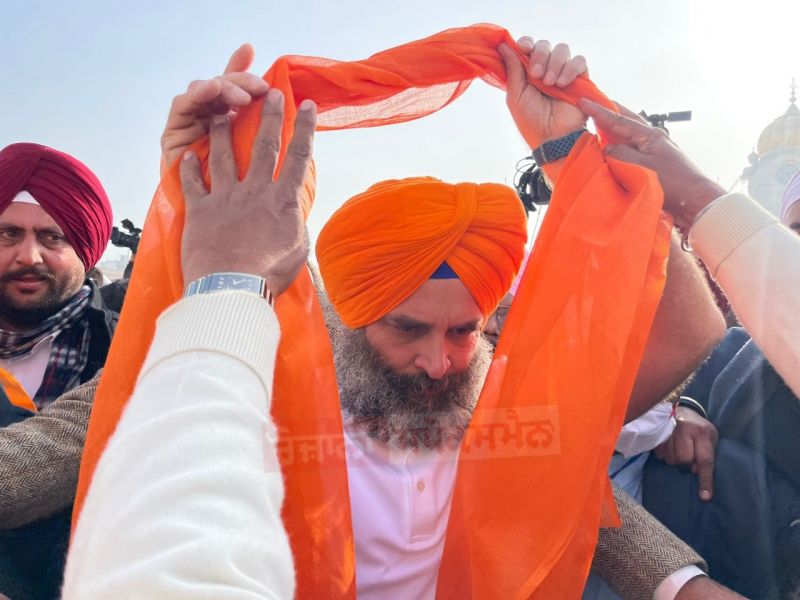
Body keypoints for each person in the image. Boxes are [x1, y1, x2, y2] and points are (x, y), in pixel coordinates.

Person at [62, 85, 314, 600]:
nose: (437, 361)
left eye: (466, 329)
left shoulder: (501, 401)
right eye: (405, 327)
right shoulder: (142, 363)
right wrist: (230, 277)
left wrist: (228, 277)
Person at [578, 99, 800, 598]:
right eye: (797, 232)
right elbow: (698, 356)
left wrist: (697, 199)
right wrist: (684, 414)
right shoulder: (741, 343)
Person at [0, 143, 117, 599]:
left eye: (53, 238)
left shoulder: (131, 355)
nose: (29, 256)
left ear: (86, 247)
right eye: (8, 234)